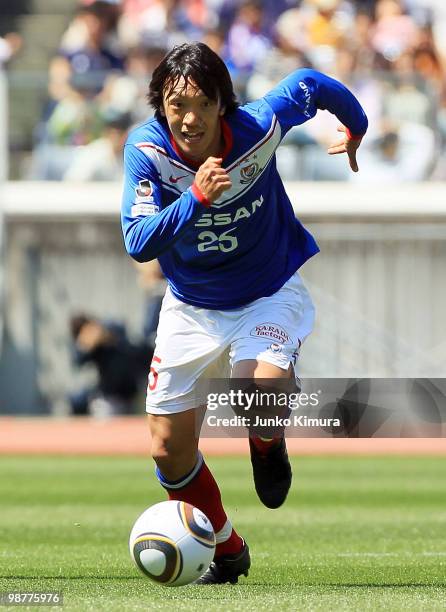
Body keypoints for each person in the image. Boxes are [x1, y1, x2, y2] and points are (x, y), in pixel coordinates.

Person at [121, 42, 367, 584]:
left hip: (268, 289)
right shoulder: (147, 151)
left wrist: (358, 126)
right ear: (160, 105)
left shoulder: (259, 126)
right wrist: (197, 200)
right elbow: (138, 241)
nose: (188, 118)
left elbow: (313, 83)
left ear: (222, 105)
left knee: (257, 393)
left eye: (201, 104)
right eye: (174, 104)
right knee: (167, 449)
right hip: (190, 305)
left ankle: (267, 442)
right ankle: (228, 549)